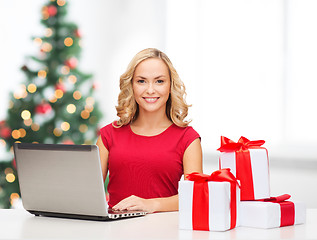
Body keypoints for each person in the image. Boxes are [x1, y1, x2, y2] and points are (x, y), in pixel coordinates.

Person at [96, 48, 202, 213]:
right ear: (131, 85)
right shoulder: (108, 135)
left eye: (159, 81)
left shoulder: (188, 139)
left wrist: (150, 205)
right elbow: (88, 192)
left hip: (165, 230)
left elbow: (196, 195)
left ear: (170, 85)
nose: (150, 90)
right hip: (115, 232)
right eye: (141, 81)